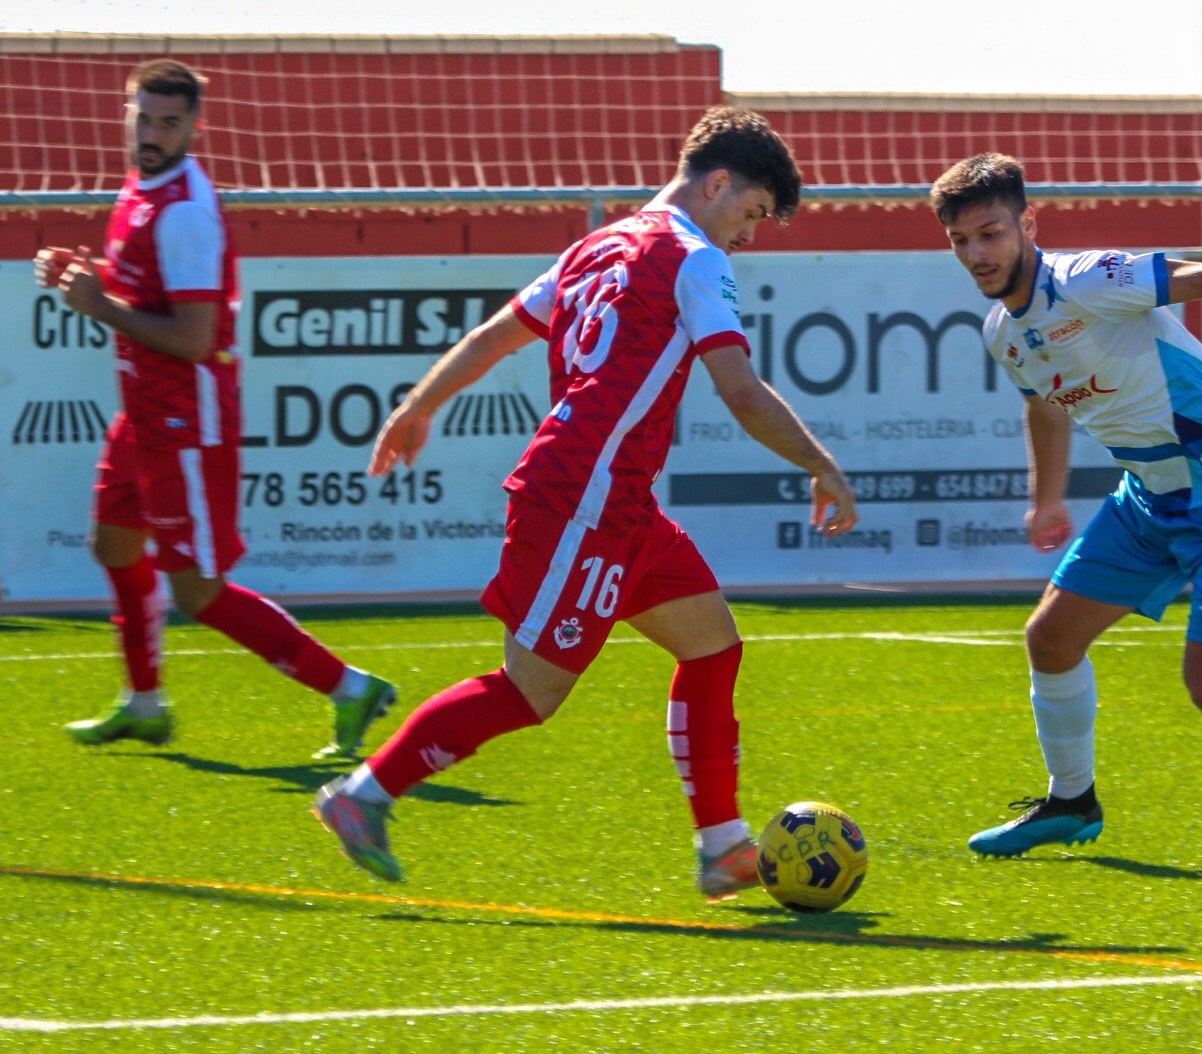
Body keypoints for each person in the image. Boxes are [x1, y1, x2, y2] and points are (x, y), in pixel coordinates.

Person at [312, 106, 858, 897]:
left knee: (712, 642)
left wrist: (420, 403)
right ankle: (364, 797)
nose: (751, 233)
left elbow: (494, 335)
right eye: (752, 213)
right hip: (582, 499)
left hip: (618, 503)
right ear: (716, 184)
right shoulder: (693, 257)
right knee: (531, 691)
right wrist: (823, 464)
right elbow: (739, 390)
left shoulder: (593, 248)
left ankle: (724, 845)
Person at [931, 152, 1202, 866]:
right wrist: (1047, 500)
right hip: (1151, 498)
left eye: (990, 233)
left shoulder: (1087, 279)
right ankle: (1072, 802)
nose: (977, 253)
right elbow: (1043, 406)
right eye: (961, 240)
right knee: (1051, 639)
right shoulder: (1001, 332)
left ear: (1027, 224)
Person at [33, 60, 396, 760]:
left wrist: (98, 305)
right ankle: (144, 704)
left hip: (185, 424)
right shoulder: (142, 187)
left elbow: (193, 338)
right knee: (112, 544)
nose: (153, 133)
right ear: (127, 112)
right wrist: (89, 278)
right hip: (141, 415)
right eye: (144, 117)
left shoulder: (187, 214)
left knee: (199, 591)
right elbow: (150, 293)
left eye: (170, 123)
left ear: (194, 127)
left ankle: (351, 689)